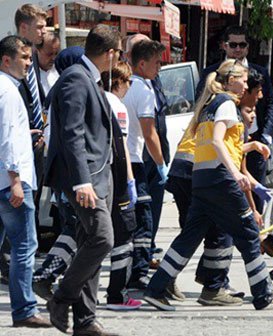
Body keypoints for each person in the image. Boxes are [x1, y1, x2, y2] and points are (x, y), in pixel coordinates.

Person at [143, 59, 273, 311]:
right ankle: (264, 293)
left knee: (189, 237)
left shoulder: (209, 105)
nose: (246, 85)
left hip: (203, 179)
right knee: (248, 233)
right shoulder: (226, 104)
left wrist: (252, 145)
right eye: (243, 80)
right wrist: (236, 174)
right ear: (231, 80)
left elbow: (222, 145)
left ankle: (156, 289)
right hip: (220, 179)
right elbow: (217, 142)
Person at [44, 24, 122, 335]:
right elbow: (71, 133)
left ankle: (85, 320)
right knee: (103, 238)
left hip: (101, 175)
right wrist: (81, 181)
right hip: (86, 179)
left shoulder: (89, 77)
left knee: (92, 243)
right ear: (111, 53)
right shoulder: (77, 77)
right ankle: (61, 297)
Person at [0, 35, 52, 329]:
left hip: (6, 178)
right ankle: (24, 309)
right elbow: (6, 137)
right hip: (12, 182)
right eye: (24, 58)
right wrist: (16, 180)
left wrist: (25, 134)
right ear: (7, 60)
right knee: (24, 245)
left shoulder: (6, 88)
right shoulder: (7, 91)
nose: (29, 64)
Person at [197, 25, 273, 214]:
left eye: (242, 45)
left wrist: (265, 135)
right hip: (225, 141)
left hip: (254, 137)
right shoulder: (211, 73)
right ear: (224, 46)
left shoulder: (260, 72)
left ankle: (256, 226)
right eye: (233, 44)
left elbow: (271, 105)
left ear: (248, 48)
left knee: (255, 192)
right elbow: (200, 106)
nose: (238, 49)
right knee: (230, 194)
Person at [31, 46, 85, 301]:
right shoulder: (69, 89)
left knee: (77, 230)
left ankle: (59, 279)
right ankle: (47, 276)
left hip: (66, 175)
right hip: (71, 176)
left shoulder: (61, 88)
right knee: (78, 231)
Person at [123, 39, 169, 290]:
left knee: (125, 219)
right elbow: (150, 134)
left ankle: (127, 269)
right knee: (144, 219)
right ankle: (138, 272)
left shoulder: (123, 85)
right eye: (156, 62)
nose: (159, 67)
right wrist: (161, 164)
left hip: (120, 160)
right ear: (142, 64)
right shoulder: (144, 90)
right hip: (136, 161)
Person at [101, 61, 143, 311]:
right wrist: (129, 181)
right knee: (124, 235)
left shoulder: (97, 99)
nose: (129, 87)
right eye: (128, 82)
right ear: (118, 81)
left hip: (96, 177)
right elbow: (122, 148)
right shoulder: (118, 106)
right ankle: (117, 294)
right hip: (116, 179)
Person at [15, 3, 48, 248]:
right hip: (18, 143)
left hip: (35, 141)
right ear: (23, 27)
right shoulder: (12, 57)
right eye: (39, 27)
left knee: (32, 200)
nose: (43, 32)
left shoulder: (33, 57)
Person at [36, 32, 60, 97]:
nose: (53, 58)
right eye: (49, 54)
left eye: (56, 53)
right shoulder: (31, 75)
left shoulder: (60, 70)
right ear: (37, 50)